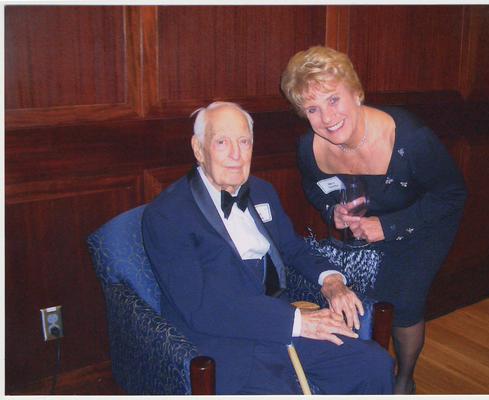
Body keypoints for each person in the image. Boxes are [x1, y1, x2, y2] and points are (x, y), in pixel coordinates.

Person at [141, 101, 394, 395]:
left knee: (373, 365)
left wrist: (332, 280)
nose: (236, 155)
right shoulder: (167, 215)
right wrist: (297, 322)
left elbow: (292, 248)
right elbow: (200, 307)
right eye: (222, 142)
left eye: (244, 142)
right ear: (199, 150)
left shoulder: (261, 191)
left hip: (277, 318)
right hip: (222, 339)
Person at [281, 46, 467, 394]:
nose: (327, 117)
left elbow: (452, 194)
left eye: (334, 99)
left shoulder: (409, 139)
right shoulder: (310, 148)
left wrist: (389, 226)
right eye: (312, 108)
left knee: (401, 300)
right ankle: (364, 370)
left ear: (357, 93)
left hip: (422, 222)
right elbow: (314, 187)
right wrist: (330, 211)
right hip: (363, 228)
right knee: (356, 297)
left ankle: (403, 377)